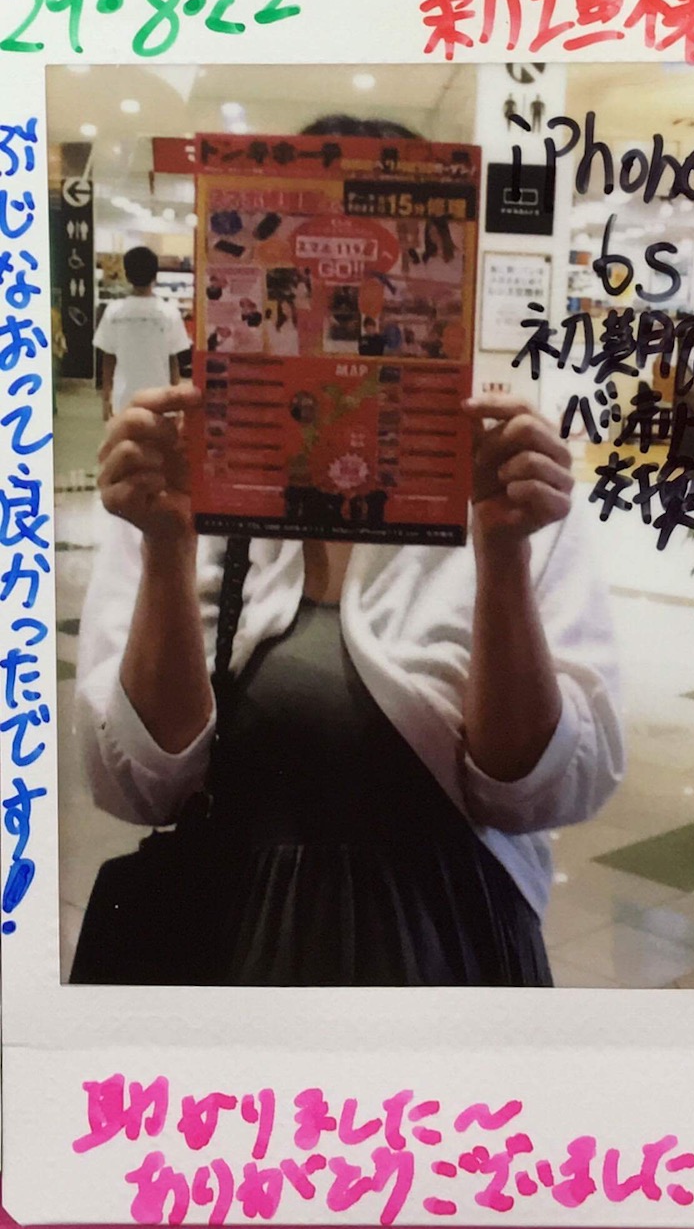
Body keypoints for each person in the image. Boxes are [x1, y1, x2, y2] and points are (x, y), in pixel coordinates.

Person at [73, 119, 625, 986]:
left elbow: (538, 792)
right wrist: (167, 546)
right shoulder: (184, 481)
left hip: (451, 950)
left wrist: (504, 558)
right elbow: (138, 785)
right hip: (230, 950)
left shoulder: (506, 484)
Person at [93, 246, 191, 421]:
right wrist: (176, 402)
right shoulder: (169, 313)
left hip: (123, 400)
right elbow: (173, 361)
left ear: (127, 275)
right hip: (161, 400)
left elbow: (108, 358)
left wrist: (106, 396)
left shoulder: (114, 312)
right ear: (155, 276)